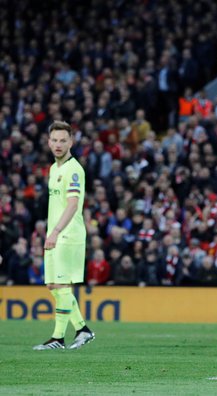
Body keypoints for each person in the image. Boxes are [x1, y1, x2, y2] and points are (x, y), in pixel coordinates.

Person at [33, 121, 95, 350]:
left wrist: (57, 231)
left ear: (71, 142)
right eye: (55, 140)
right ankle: (82, 329)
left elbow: (72, 204)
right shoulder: (54, 168)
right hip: (55, 234)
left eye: (63, 140)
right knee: (52, 285)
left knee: (60, 284)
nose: (58, 144)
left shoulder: (74, 169)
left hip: (68, 234)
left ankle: (58, 337)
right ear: (49, 142)